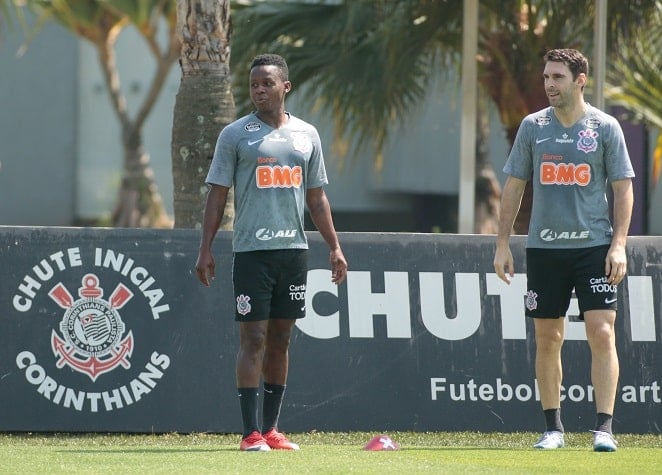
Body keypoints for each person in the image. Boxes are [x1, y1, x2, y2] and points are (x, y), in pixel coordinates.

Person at [195, 53, 348, 451]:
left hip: (293, 252)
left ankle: (272, 430)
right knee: (254, 338)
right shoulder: (235, 134)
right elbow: (217, 194)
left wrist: (334, 247)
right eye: (253, 85)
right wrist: (206, 248)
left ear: (285, 87)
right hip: (252, 252)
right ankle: (249, 434)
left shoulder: (306, 135)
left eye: (266, 83)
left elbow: (316, 198)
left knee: (281, 338)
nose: (259, 90)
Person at [493, 49, 634, 452]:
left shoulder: (605, 128)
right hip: (544, 250)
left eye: (557, 77)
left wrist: (619, 245)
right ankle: (553, 428)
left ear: (580, 80)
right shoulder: (532, 127)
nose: (549, 85)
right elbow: (514, 187)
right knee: (548, 338)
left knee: (602, 333)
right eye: (546, 78)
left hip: (594, 248)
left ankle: (604, 429)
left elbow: (623, 188)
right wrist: (502, 244)